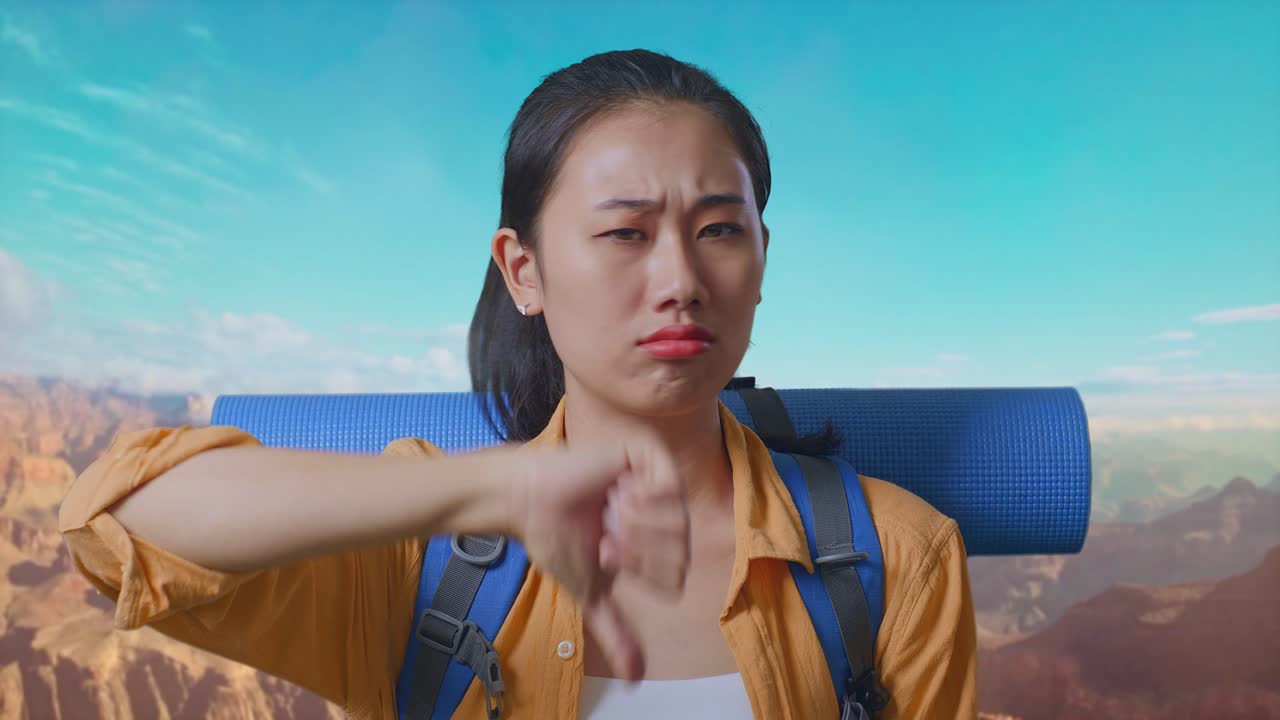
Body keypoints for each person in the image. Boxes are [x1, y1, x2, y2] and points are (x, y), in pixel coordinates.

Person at [59, 49, 977, 719]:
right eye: (626, 232)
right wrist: (494, 486)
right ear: (522, 270)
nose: (680, 281)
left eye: (719, 230)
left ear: (763, 258)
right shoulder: (423, 560)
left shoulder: (898, 561)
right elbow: (115, 524)